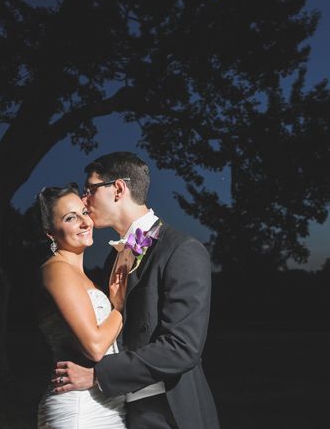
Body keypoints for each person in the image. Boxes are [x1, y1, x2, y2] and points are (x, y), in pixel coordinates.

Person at [51, 152, 220, 429]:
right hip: (121, 411)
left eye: (90, 190)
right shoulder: (113, 257)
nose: (84, 200)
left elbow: (182, 348)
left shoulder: (181, 250)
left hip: (168, 412)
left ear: (118, 189)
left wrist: (97, 376)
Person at [34, 183, 128, 428]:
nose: (85, 222)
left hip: (105, 405)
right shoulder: (57, 270)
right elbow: (95, 347)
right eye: (70, 218)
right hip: (80, 410)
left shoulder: (84, 277)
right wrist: (118, 307)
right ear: (50, 233)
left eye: (84, 212)